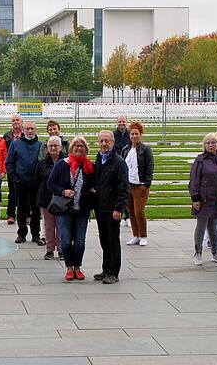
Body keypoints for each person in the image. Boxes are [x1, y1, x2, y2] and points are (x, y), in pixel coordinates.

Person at [48, 136, 96, 281]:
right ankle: (69, 267)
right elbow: (51, 183)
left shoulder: (89, 166)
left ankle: (77, 267)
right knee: (66, 241)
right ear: (71, 148)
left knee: (80, 241)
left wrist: (92, 190)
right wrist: (63, 191)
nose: (79, 148)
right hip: (65, 210)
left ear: (86, 149)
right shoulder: (62, 164)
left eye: (82, 146)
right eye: (76, 146)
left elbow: (94, 183)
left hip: (82, 209)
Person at [93, 131, 129, 283]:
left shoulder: (119, 162)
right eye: (101, 141)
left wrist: (119, 208)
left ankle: (114, 272)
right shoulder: (99, 159)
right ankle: (106, 269)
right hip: (100, 207)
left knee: (113, 240)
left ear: (113, 143)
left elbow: (124, 188)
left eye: (107, 141)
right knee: (104, 240)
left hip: (112, 208)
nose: (104, 144)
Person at [189, 133, 217, 266]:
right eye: (208, 143)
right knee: (201, 225)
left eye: (213, 143)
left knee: (214, 227)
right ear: (204, 145)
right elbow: (194, 180)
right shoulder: (200, 160)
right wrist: (195, 198)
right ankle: (198, 252)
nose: (211, 145)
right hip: (203, 198)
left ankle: (216, 252)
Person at [5, 120, 43, 245]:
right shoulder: (16, 144)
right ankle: (21, 234)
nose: (30, 131)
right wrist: (15, 179)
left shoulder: (40, 145)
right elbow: (9, 163)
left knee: (36, 209)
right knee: (21, 209)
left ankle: (35, 234)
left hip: (36, 183)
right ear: (23, 130)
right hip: (21, 183)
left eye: (32, 129)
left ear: (35, 130)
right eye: (28, 129)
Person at [122, 121, 154, 246]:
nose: (134, 136)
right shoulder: (126, 149)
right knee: (131, 211)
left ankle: (143, 235)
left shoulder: (145, 149)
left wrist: (146, 183)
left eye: (136, 134)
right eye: (132, 134)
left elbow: (150, 166)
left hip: (140, 185)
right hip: (128, 185)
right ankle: (135, 235)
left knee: (139, 211)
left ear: (140, 135)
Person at [35, 136, 66, 260]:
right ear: (47, 148)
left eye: (55, 146)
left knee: (60, 225)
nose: (53, 148)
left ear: (60, 147)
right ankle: (49, 249)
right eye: (50, 146)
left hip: (61, 199)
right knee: (48, 225)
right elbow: (36, 180)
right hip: (46, 199)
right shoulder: (42, 163)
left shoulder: (66, 161)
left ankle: (61, 249)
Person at [3, 114, 24, 225]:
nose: (15, 122)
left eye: (17, 120)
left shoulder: (26, 134)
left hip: (24, 168)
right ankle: (11, 215)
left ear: (21, 122)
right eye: (13, 120)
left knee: (26, 192)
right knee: (12, 192)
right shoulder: (7, 136)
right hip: (12, 168)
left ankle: (26, 214)